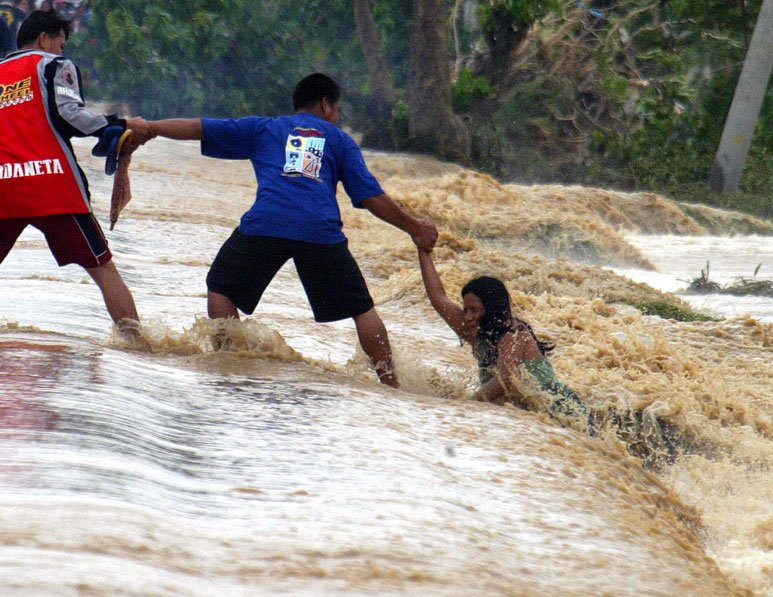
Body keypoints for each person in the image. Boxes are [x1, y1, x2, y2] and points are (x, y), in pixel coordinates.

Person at [146, 73, 437, 388]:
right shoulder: (340, 141)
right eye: (336, 109)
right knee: (362, 310)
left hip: (267, 223)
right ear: (326, 104)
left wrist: (149, 128)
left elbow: (196, 127)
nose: (336, 117)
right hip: (320, 232)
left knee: (221, 287)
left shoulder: (265, 128)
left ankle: (227, 362)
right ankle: (390, 383)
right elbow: (370, 196)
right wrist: (414, 228)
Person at [0, 10, 152, 336]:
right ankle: (137, 345)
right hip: (53, 187)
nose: (62, 51)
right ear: (45, 39)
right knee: (103, 268)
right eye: (61, 44)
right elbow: (70, 114)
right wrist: (118, 125)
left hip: (4, 188)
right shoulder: (53, 65)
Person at [417, 247, 592, 428]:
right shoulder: (475, 331)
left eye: (474, 310)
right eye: (466, 309)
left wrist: (465, 405)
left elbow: (504, 380)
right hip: (530, 417)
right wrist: (423, 250)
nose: (467, 316)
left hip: (562, 411)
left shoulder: (515, 334)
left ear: (492, 310)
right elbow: (438, 297)